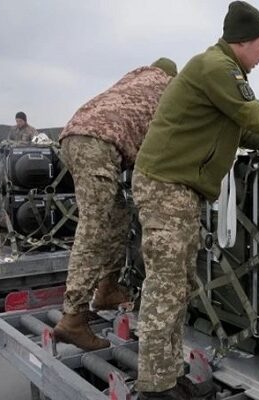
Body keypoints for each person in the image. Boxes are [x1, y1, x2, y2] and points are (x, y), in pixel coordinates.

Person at [131, 2, 259, 399]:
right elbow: (253, 114)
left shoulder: (221, 72)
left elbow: (244, 132)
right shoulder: (216, 68)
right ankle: (154, 388)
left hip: (179, 190)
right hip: (166, 186)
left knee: (180, 284)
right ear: (241, 42)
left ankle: (168, 376)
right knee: (166, 288)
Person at [53, 58, 178, 351]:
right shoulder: (168, 88)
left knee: (118, 215)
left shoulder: (135, 78)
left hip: (76, 136)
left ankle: (107, 287)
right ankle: (73, 318)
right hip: (97, 143)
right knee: (94, 228)